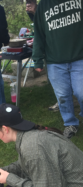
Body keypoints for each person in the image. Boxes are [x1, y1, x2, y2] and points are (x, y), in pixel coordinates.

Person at [32, 0, 83, 138]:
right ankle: (70, 123)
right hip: (55, 62)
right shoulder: (43, 5)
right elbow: (39, 33)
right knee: (63, 95)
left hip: (79, 57)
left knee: (81, 92)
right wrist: (37, 59)